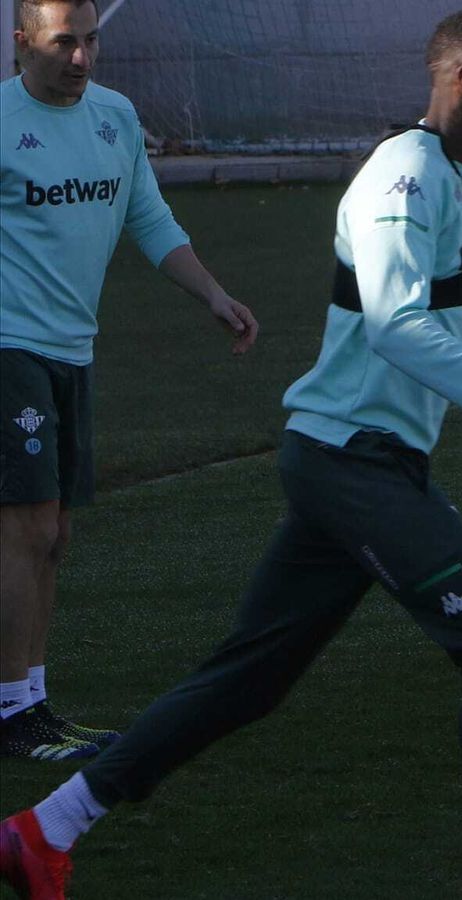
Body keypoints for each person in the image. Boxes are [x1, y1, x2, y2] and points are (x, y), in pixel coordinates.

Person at [0, 10, 462, 900]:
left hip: (368, 462)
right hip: (350, 463)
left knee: (249, 678)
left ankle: (42, 829)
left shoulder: (452, 176)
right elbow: (396, 328)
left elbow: (418, 333)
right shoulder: (403, 177)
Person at [0, 0, 258, 763]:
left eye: (90, 41)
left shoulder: (114, 116)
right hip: (8, 348)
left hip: (71, 351)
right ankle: (12, 712)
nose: (82, 59)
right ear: (21, 44)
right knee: (29, 527)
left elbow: (149, 219)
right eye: (63, 44)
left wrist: (212, 293)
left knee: (56, 535)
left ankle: (31, 703)